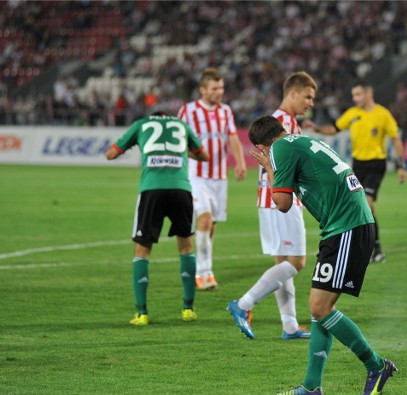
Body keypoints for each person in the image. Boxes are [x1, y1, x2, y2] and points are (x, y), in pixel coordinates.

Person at [248, 115, 397, 395]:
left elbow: (281, 203)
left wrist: (269, 169)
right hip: (345, 226)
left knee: (320, 308)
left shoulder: (279, 150)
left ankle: (376, 365)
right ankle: (312, 386)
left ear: (262, 146)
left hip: (346, 227)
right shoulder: (302, 140)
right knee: (319, 312)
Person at [227, 71, 317, 339]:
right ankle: (243, 304)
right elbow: (282, 165)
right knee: (297, 261)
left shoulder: (278, 121)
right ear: (292, 93)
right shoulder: (284, 124)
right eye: (308, 96)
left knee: (283, 262)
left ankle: (289, 325)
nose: (311, 103)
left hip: (268, 198)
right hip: (281, 198)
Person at [105, 112, 209, 325]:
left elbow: (111, 154)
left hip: (151, 190)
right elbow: (203, 155)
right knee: (186, 246)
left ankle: (142, 313)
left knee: (142, 249)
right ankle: (188, 309)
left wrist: (140, 146)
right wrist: (181, 153)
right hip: (181, 190)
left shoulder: (141, 124)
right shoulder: (181, 125)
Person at [305, 80, 407, 263]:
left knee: (367, 204)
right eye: (353, 95)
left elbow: (395, 139)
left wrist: (401, 166)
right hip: (357, 165)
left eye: (358, 94)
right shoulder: (352, 114)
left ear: (369, 94)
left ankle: (376, 250)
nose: (355, 98)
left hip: (376, 164)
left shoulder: (383, 114)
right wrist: (317, 128)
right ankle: (367, 248)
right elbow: (334, 129)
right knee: (356, 206)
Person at [178, 68, 247, 290]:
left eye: (222, 88)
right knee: (205, 219)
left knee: (213, 224)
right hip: (196, 176)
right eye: (215, 88)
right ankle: (203, 272)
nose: (220, 92)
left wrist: (240, 162)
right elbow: (178, 138)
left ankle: (204, 267)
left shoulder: (225, 111)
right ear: (203, 89)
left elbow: (232, 137)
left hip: (219, 176)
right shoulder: (188, 111)